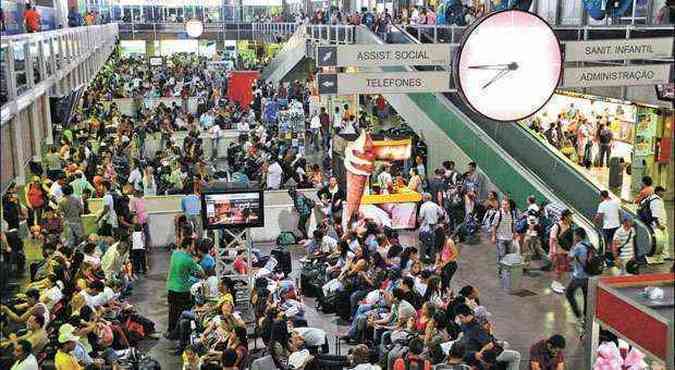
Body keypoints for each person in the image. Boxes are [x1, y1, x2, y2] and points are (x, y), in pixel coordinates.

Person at [166, 240, 204, 335]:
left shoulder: (175, 254)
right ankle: (179, 333)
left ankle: (171, 330)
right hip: (182, 290)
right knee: (184, 312)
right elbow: (201, 273)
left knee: (172, 311)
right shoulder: (188, 260)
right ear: (188, 246)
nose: (193, 247)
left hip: (171, 287)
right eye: (192, 245)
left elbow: (181, 271)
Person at [565, 228, 591, 326]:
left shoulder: (578, 247)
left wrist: (573, 245)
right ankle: (586, 317)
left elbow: (569, 259)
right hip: (589, 276)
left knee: (569, 293)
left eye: (575, 235)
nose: (574, 237)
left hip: (579, 277)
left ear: (578, 236)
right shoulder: (589, 244)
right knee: (587, 297)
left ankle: (578, 314)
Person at [418, 192, 446, 262]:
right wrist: (436, 217)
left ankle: (424, 258)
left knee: (423, 243)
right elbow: (442, 214)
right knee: (434, 243)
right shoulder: (435, 205)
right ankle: (433, 258)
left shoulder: (423, 206)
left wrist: (419, 222)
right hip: (435, 226)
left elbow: (421, 217)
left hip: (426, 226)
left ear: (424, 199)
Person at [594, 190, 620, 255]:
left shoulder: (602, 204)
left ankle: (607, 256)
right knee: (614, 241)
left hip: (608, 226)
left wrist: (595, 222)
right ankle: (615, 255)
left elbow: (599, 216)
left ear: (602, 196)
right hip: (616, 225)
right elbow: (619, 213)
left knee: (605, 242)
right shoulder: (616, 202)